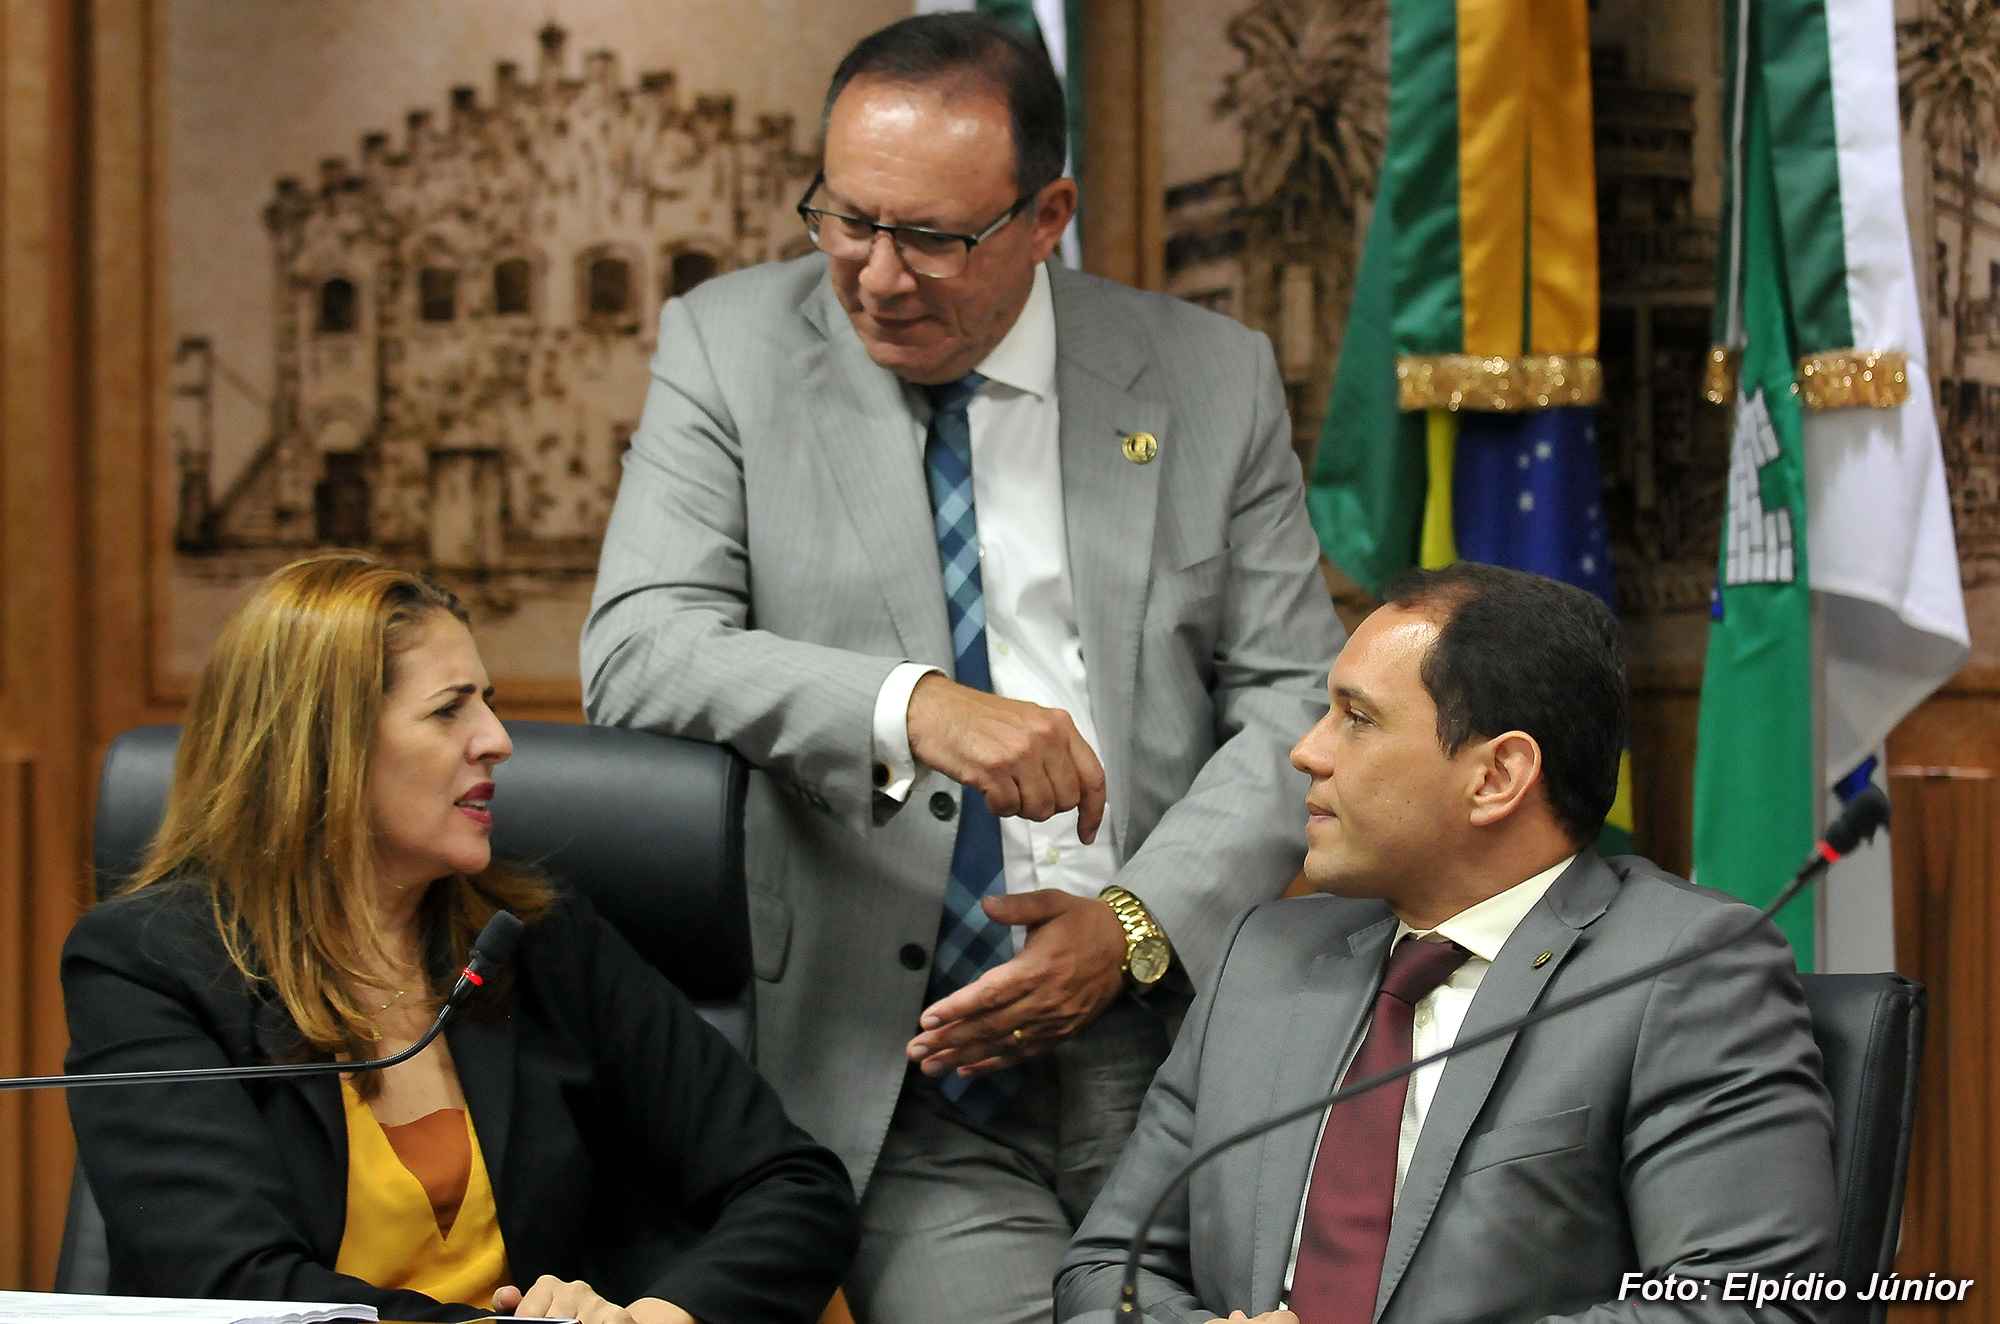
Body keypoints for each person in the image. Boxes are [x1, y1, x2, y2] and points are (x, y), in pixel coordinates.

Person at [581, 12, 1344, 1322]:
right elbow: (638, 647)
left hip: (1172, 1033)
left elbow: (1293, 697)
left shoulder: (1208, 379)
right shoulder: (729, 346)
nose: (877, 276)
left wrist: (1133, 926)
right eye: (846, 220)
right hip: (909, 1060)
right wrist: (910, 707)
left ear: (1046, 217)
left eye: (931, 237)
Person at [63, 553, 859, 1324]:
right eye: (450, 710)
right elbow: (231, 1288)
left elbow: (793, 1186)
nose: (498, 739)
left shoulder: (538, 941)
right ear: (325, 748)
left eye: (487, 702)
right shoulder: (146, 967)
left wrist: (654, 1318)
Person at [1056, 563, 1838, 1324]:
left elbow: (1750, 1300)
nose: (1307, 751)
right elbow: (1106, 1268)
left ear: (1496, 776)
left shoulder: (1685, 969)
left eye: (1357, 719)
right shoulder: (1264, 957)